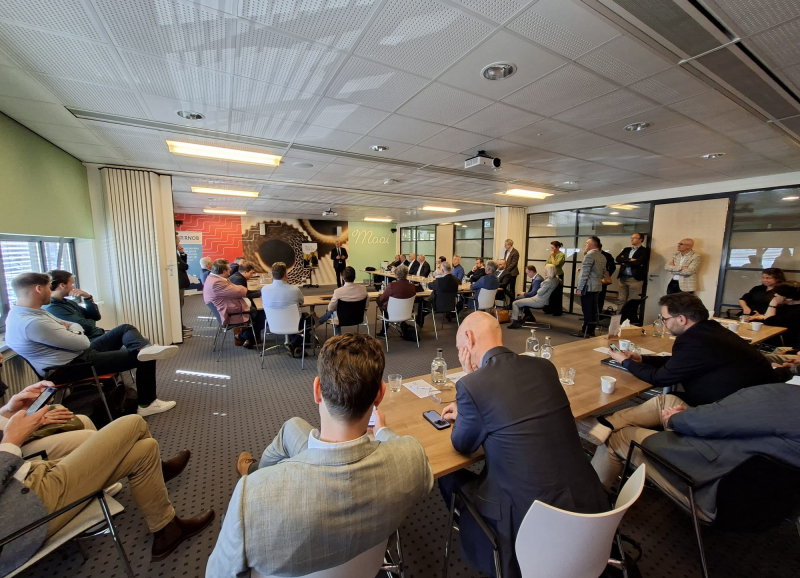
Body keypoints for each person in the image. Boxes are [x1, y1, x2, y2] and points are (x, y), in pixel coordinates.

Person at [208, 334, 433, 577]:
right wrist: (383, 432)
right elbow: (412, 460)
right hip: (368, 567)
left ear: (317, 390)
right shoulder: (413, 459)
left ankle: (257, 469)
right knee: (293, 427)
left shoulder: (251, 497)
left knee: (290, 430)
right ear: (380, 394)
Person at [439, 313, 608, 578]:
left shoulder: (473, 385)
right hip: (589, 509)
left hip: (526, 524)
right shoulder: (544, 367)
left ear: (468, 340)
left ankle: (479, 537)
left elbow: (463, 444)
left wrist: (470, 377)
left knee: (448, 476)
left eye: (460, 347)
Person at [0, 411, 214, 574]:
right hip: (29, 504)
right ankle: (160, 474)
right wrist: (11, 441)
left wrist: (9, 410)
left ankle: (167, 528)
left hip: (24, 481)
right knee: (134, 423)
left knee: (145, 450)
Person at [578, 293, 778, 446]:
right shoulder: (711, 330)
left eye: (664, 319)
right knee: (662, 400)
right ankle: (604, 425)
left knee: (662, 400)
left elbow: (660, 378)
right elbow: (682, 362)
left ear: (681, 319)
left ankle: (602, 426)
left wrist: (625, 362)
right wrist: (641, 357)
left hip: (727, 419)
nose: (664, 324)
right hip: (751, 407)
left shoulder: (693, 341)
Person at [590, 382, 800, 523]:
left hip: (713, 487)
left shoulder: (784, 398)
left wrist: (677, 420)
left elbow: (714, 421)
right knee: (668, 401)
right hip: (773, 502)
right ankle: (603, 425)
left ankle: (589, 508)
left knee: (620, 436)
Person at [5, 272, 178, 417]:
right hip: (70, 367)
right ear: (39, 288)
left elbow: (73, 327)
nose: (51, 292)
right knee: (144, 359)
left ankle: (144, 347)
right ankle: (147, 404)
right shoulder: (32, 322)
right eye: (49, 287)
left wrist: (72, 328)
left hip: (78, 356)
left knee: (125, 329)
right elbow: (82, 340)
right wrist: (75, 329)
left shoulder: (30, 313)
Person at [0, 376, 96, 460]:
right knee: (89, 438)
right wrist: (15, 434)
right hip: (6, 457)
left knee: (83, 420)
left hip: (5, 437)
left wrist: (9, 411)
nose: (1, 357)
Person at [260, 262, 312, 358]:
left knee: (296, 319)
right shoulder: (294, 289)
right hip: (293, 323)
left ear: (272, 274)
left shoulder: (264, 289)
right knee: (309, 319)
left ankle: (294, 345)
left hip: (273, 323)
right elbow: (301, 302)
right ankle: (294, 344)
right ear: (286, 275)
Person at [203, 259, 258, 349]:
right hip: (228, 314)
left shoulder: (215, 278)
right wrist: (240, 289)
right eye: (229, 268)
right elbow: (241, 292)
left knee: (258, 312)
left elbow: (236, 288)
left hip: (226, 307)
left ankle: (248, 338)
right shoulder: (217, 282)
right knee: (260, 314)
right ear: (224, 271)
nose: (231, 270)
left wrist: (238, 288)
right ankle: (242, 336)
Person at [316, 266, 368, 335]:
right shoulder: (363, 289)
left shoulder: (338, 291)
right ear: (355, 277)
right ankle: (317, 322)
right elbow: (366, 305)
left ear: (343, 278)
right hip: (358, 318)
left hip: (342, 320)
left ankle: (337, 337)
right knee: (333, 312)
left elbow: (330, 308)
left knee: (332, 312)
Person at [751, 281, 800, 350]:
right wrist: (760, 317)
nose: (775, 295)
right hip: (774, 336)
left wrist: (773, 303)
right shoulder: (788, 305)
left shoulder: (796, 311)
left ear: (789, 298)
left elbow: (769, 322)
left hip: (783, 342)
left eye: (778, 293)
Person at [507, 265, 558, 329]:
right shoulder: (556, 279)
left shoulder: (547, 282)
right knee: (519, 301)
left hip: (539, 300)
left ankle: (515, 322)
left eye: (545, 270)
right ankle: (518, 320)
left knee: (515, 303)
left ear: (549, 271)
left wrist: (540, 287)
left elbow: (539, 292)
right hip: (543, 300)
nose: (544, 271)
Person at [228, 261, 266, 346]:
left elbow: (245, 292)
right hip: (238, 308)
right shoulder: (238, 280)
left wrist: (257, 291)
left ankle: (249, 340)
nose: (252, 275)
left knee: (259, 313)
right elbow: (246, 295)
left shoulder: (237, 277)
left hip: (235, 304)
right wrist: (260, 293)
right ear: (245, 272)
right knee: (262, 317)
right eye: (251, 273)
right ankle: (242, 337)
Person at [574, 236, 604, 338]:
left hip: (588, 287)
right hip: (597, 286)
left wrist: (580, 287)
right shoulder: (602, 256)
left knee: (587, 310)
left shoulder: (589, 256)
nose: (585, 245)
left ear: (592, 245)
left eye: (587, 243)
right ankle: (591, 330)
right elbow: (603, 273)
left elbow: (584, 274)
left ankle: (585, 331)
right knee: (593, 310)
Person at [376, 265, 417, 337]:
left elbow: (382, 299)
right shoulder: (412, 287)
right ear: (406, 274)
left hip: (392, 312)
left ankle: (384, 330)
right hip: (407, 312)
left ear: (396, 274)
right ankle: (402, 323)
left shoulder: (392, 286)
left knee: (379, 301)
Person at [420, 261, 461, 326]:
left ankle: (419, 321)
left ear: (442, 270)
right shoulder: (457, 280)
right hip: (451, 304)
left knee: (421, 302)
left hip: (437, 305)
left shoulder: (439, 281)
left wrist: (438, 276)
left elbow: (429, 286)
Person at [615, 233, 650, 306]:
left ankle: (629, 316)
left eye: (634, 238)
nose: (632, 239)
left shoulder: (644, 251)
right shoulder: (626, 249)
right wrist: (630, 259)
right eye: (631, 237)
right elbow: (618, 259)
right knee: (621, 299)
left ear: (641, 239)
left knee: (632, 300)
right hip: (623, 278)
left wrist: (624, 262)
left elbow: (638, 262)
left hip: (635, 279)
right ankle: (620, 316)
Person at [176, 235, 192, 339]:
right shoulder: (171, 252)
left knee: (180, 306)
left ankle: (180, 327)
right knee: (178, 307)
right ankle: (178, 331)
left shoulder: (176, 252)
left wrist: (182, 253)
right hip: (178, 284)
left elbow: (183, 263)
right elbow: (184, 266)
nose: (179, 242)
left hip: (181, 284)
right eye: (178, 240)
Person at [597, 241, 616, 310]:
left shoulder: (607, 255)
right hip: (592, 279)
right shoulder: (590, 255)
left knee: (600, 296)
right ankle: (590, 315)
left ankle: (598, 313)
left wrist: (607, 275)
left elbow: (613, 267)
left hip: (602, 279)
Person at [500, 239, 520, 304]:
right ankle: (508, 302)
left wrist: (506, 271)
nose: (504, 246)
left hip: (512, 273)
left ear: (509, 245)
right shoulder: (506, 252)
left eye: (505, 244)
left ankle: (512, 304)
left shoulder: (515, 252)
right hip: (506, 272)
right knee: (504, 286)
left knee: (512, 289)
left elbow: (513, 264)